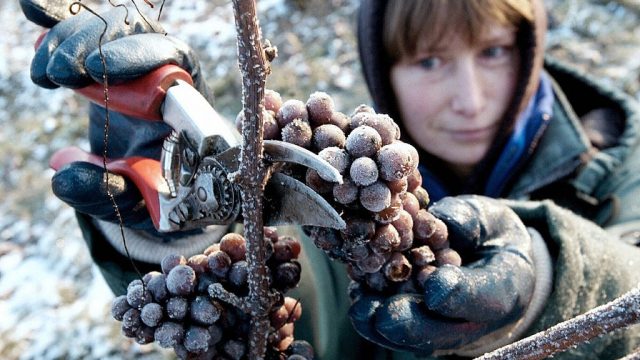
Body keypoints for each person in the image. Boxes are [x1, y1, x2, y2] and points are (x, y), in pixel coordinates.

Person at [19, 0, 640, 359]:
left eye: (493, 52)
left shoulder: (625, 168)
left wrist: (551, 282)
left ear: (529, 49)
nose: (470, 100)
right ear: (384, 71)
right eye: (429, 60)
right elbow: (300, 300)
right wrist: (183, 241)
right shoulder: (338, 191)